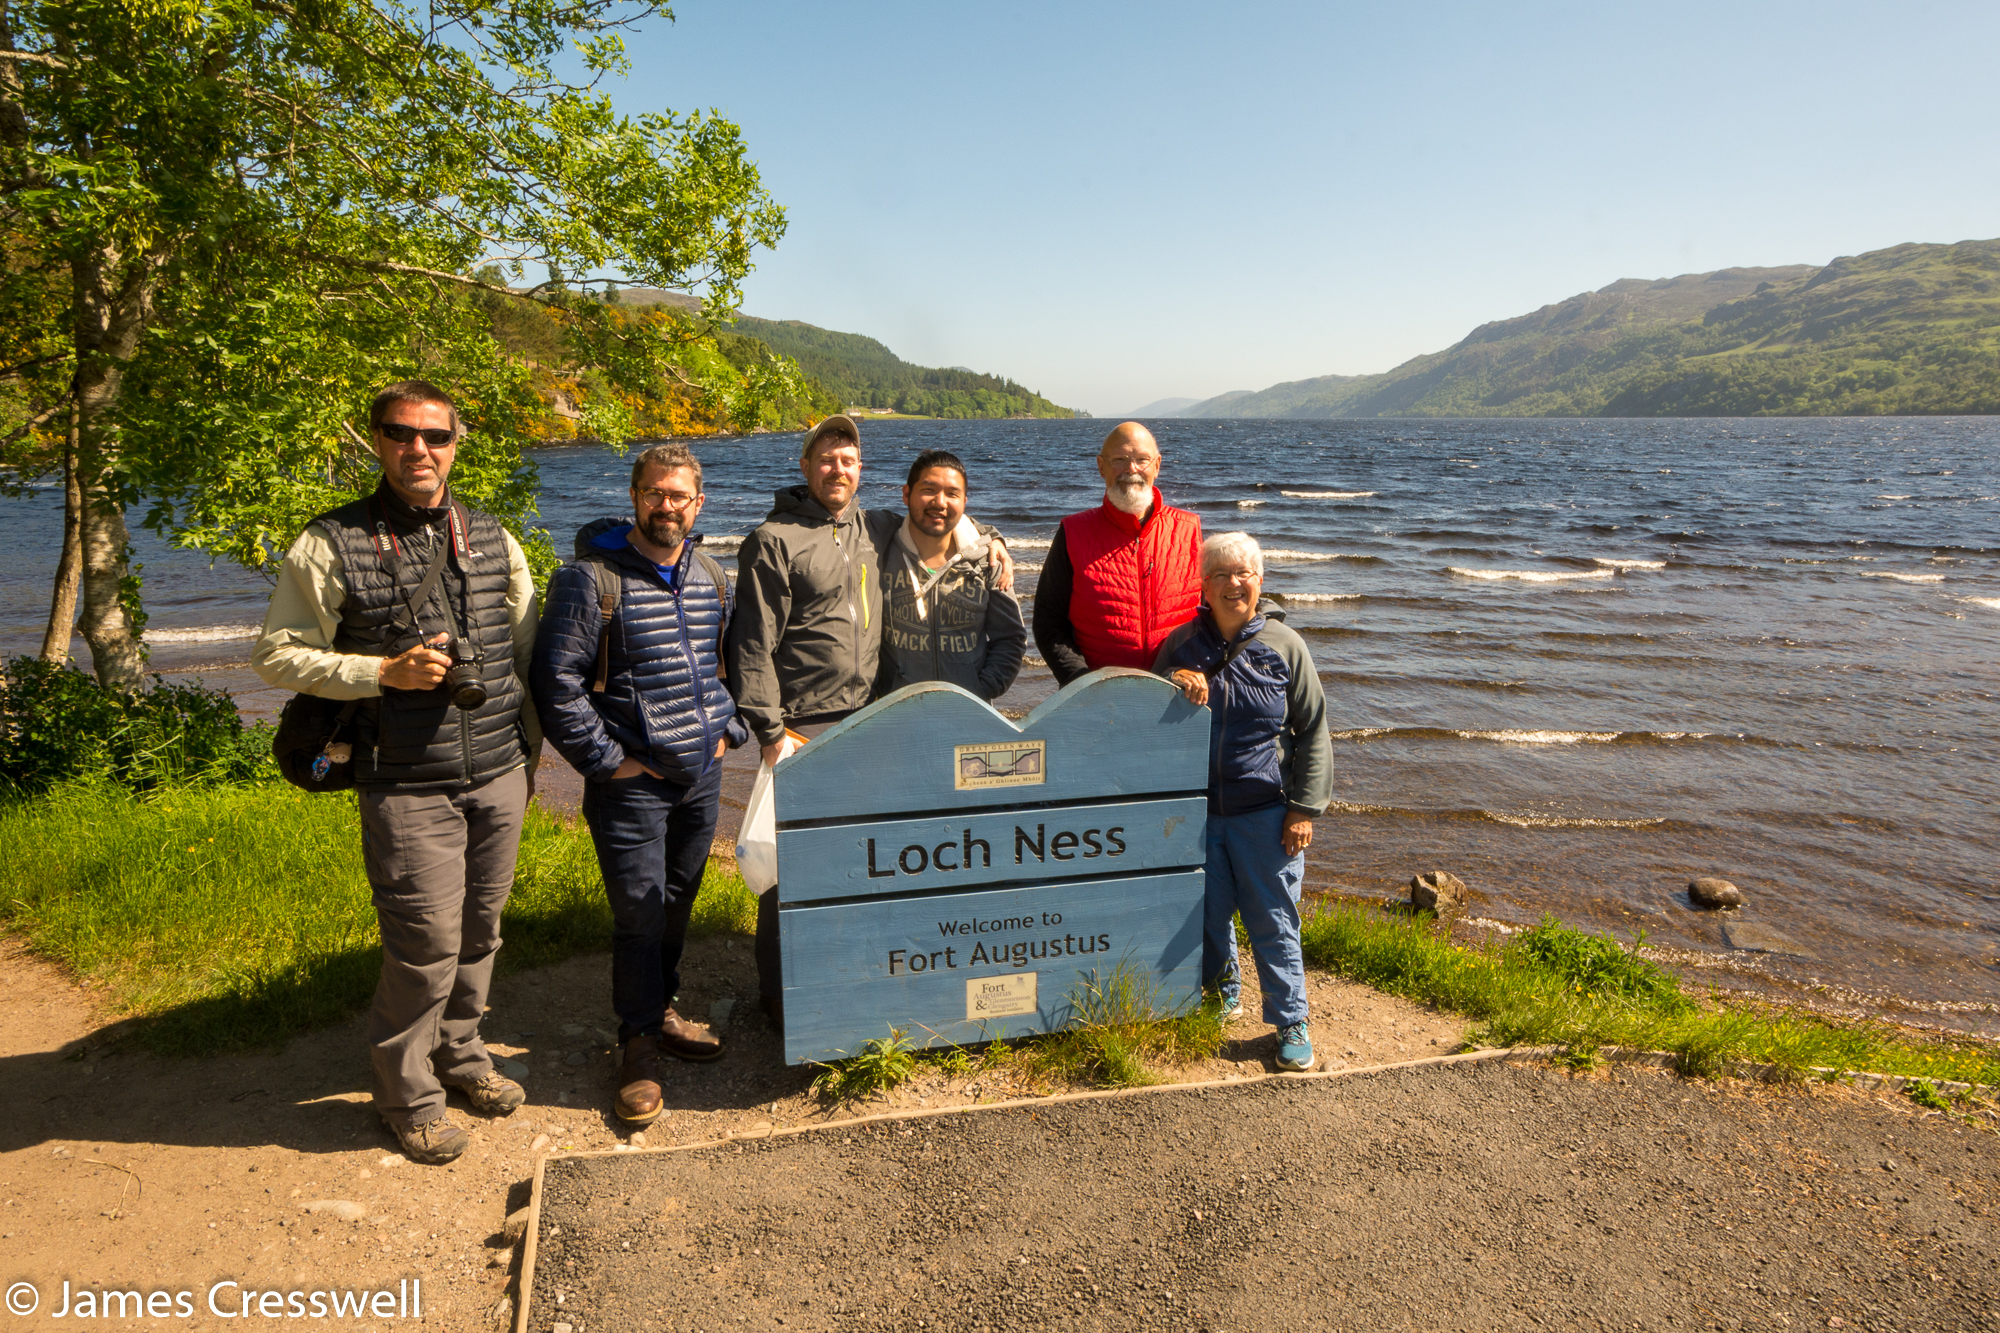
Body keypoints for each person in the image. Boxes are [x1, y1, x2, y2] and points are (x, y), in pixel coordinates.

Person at [251, 379, 539, 1164]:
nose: (419, 449)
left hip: (498, 769)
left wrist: (529, 759)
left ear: (458, 442)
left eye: (435, 436)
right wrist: (383, 671)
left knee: (481, 931)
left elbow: (521, 656)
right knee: (424, 941)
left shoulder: (492, 536)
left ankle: (462, 1054)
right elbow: (275, 654)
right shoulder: (331, 541)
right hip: (406, 778)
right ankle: (405, 1093)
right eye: (401, 433)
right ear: (377, 440)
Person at [729, 415, 1012, 1027]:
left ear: (862, 471)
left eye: (849, 459)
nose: (839, 469)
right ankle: (782, 1007)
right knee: (788, 871)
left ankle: (846, 987)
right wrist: (773, 734)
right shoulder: (774, 539)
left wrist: (992, 539)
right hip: (803, 729)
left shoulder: (869, 524)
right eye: (827, 459)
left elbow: (940, 516)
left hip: (868, 721)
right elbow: (750, 647)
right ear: (805, 467)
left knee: (859, 861)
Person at [531, 444, 747, 1125]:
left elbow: (730, 665)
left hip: (700, 775)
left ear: (698, 503)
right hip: (630, 785)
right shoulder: (589, 580)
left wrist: (728, 730)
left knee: (679, 899)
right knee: (638, 913)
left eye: (678, 495)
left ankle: (661, 1009)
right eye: (654, 492)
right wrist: (607, 760)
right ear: (634, 496)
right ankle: (637, 1046)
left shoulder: (713, 574)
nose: (666, 505)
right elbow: (555, 683)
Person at [1154, 531, 1332, 1073]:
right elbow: (1140, 702)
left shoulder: (1284, 645)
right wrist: (1169, 679)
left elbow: (1314, 730)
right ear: (1203, 585)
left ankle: (1290, 1019)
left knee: (1274, 921)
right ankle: (1222, 988)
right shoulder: (1181, 643)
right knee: (1207, 915)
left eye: (1246, 573)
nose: (1236, 584)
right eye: (1222, 575)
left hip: (1266, 813)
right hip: (1198, 814)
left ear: (1260, 581)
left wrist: (1304, 808)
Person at [1033, 421, 1203, 687]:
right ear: (1101, 466)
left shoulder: (1190, 530)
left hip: (1178, 697)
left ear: (1157, 466)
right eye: (1120, 459)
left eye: (1142, 460)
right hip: (1098, 699)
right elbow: (1048, 623)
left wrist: (1197, 670)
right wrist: (1080, 681)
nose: (1131, 469)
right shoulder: (1073, 532)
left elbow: (1218, 615)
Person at [875, 448, 1026, 702]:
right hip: (897, 714)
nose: (940, 502)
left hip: (970, 713)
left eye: (952, 493)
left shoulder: (988, 561)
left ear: (965, 502)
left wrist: (981, 691)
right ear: (906, 494)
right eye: (928, 490)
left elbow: (1010, 639)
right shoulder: (878, 551)